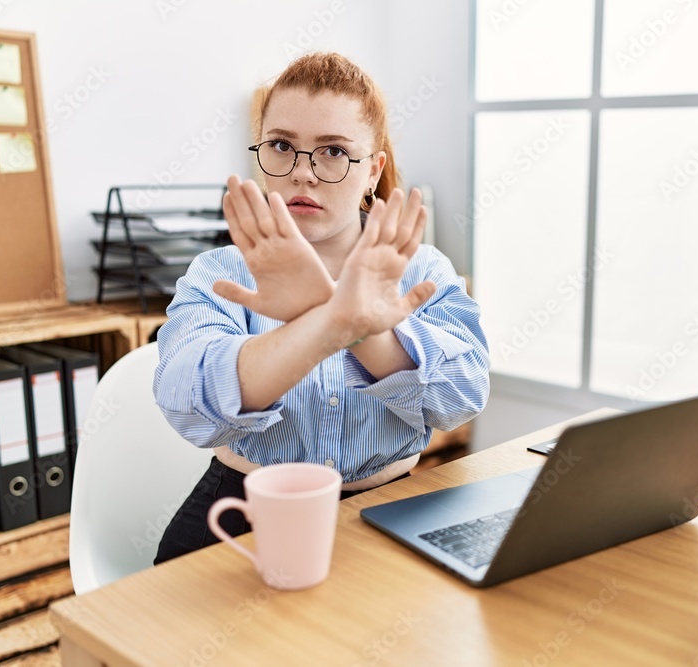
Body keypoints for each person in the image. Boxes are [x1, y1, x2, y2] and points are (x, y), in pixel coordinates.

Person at [152, 52, 490, 564]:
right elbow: (186, 400)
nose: (303, 174)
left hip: (389, 511)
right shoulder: (217, 271)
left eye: (333, 151)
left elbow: (464, 394)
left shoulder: (422, 269)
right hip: (239, 517)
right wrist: (330, 320)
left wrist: (351, 326)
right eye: (282, 146)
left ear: (372, 170)